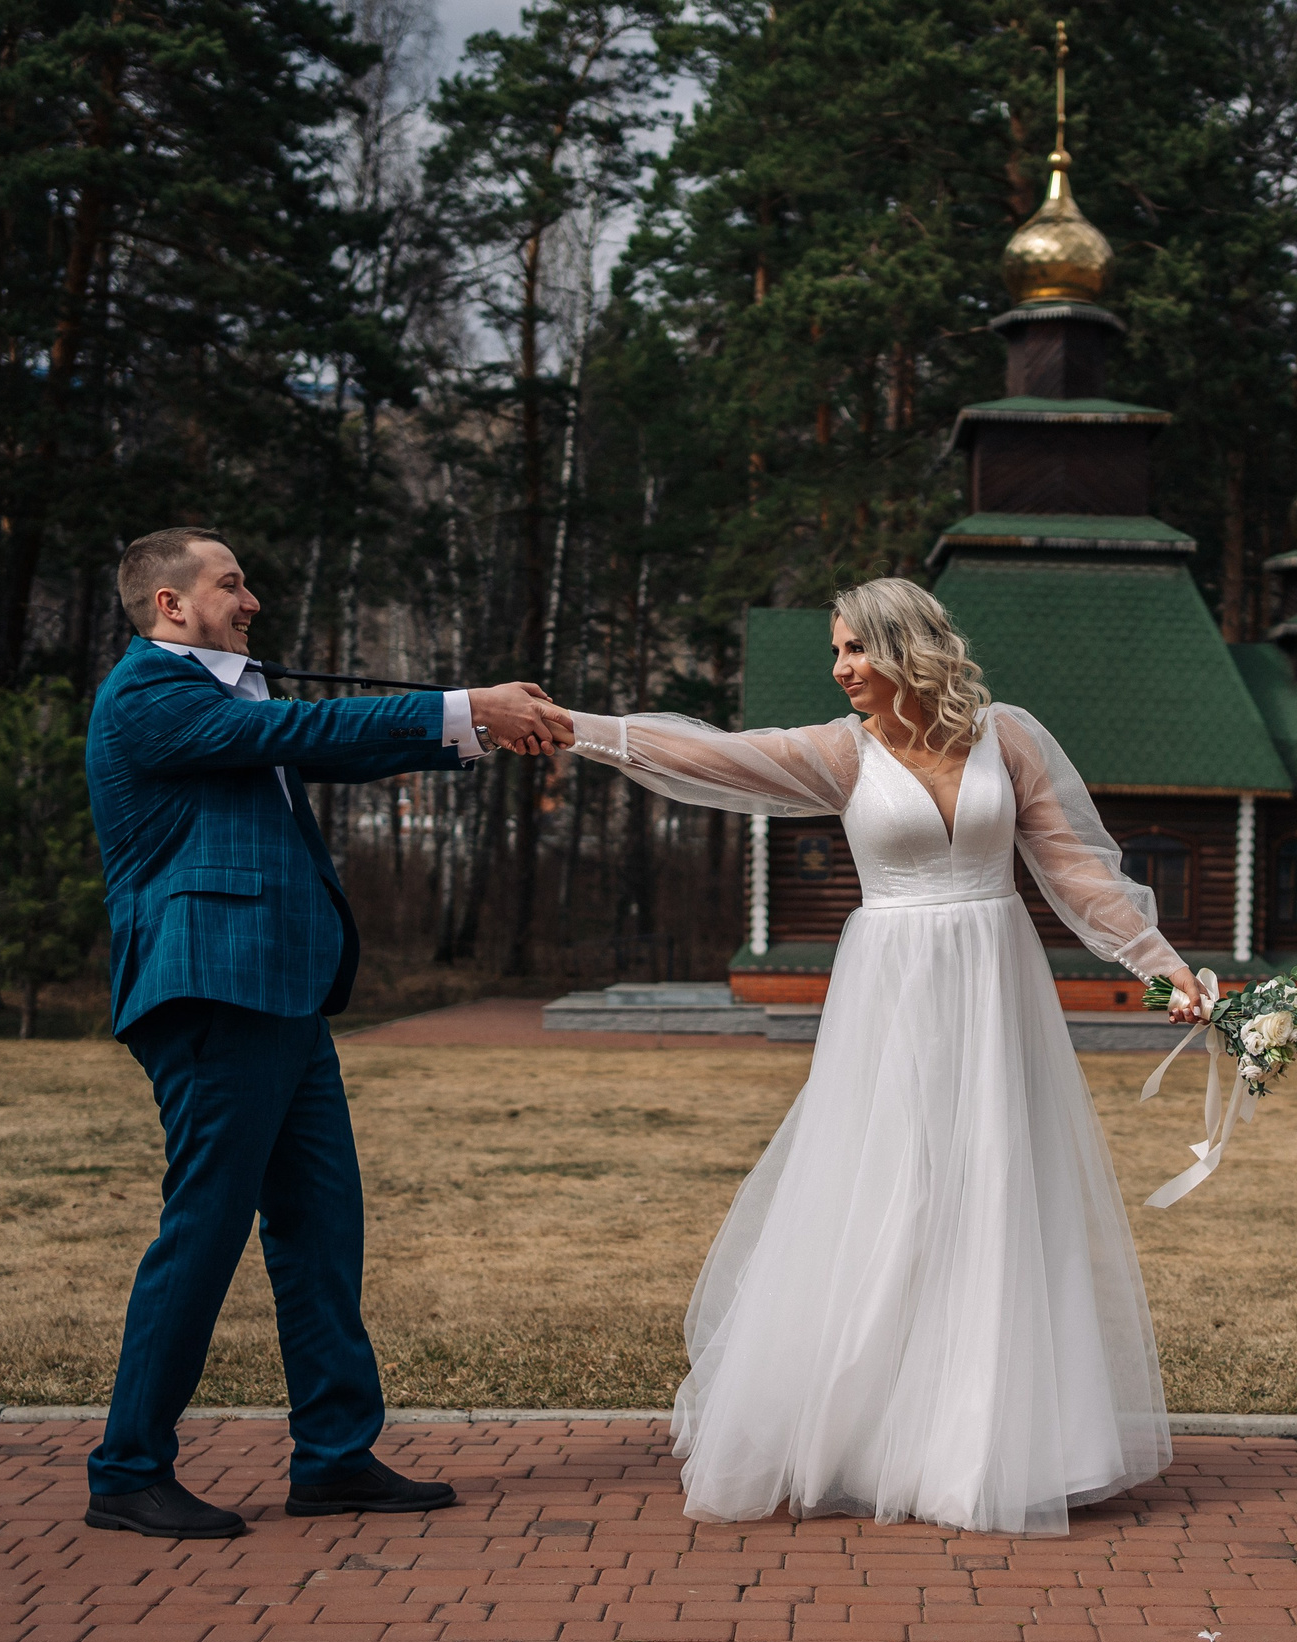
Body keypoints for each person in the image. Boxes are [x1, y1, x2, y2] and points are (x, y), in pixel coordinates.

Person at [562, 576, 1203, 1535]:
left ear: (909, 647)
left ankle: (982, 1443)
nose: (841, 669)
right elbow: (712, 755)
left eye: (855, 649)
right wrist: (573, 725)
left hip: (996, 979)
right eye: (836, 652)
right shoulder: (839, 752)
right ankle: (860, 1431)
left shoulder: (1008, 735)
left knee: (995, 1185)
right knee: (891, 1186)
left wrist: (1163, 966)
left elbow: (1074, 868)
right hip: (892, 988)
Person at [82, 525, 570, 1540]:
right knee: (205, 1228)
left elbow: (332, 745)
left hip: (284, 994)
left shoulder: (223, 694)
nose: (250, 597)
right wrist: (462, 705)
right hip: (214, 992)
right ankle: (127, 1467)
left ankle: (335, 1455)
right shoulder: (149, 692)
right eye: (230, 582)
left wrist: (475, 729)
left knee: (321, 1225)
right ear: (171, 604)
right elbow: (302, 735)